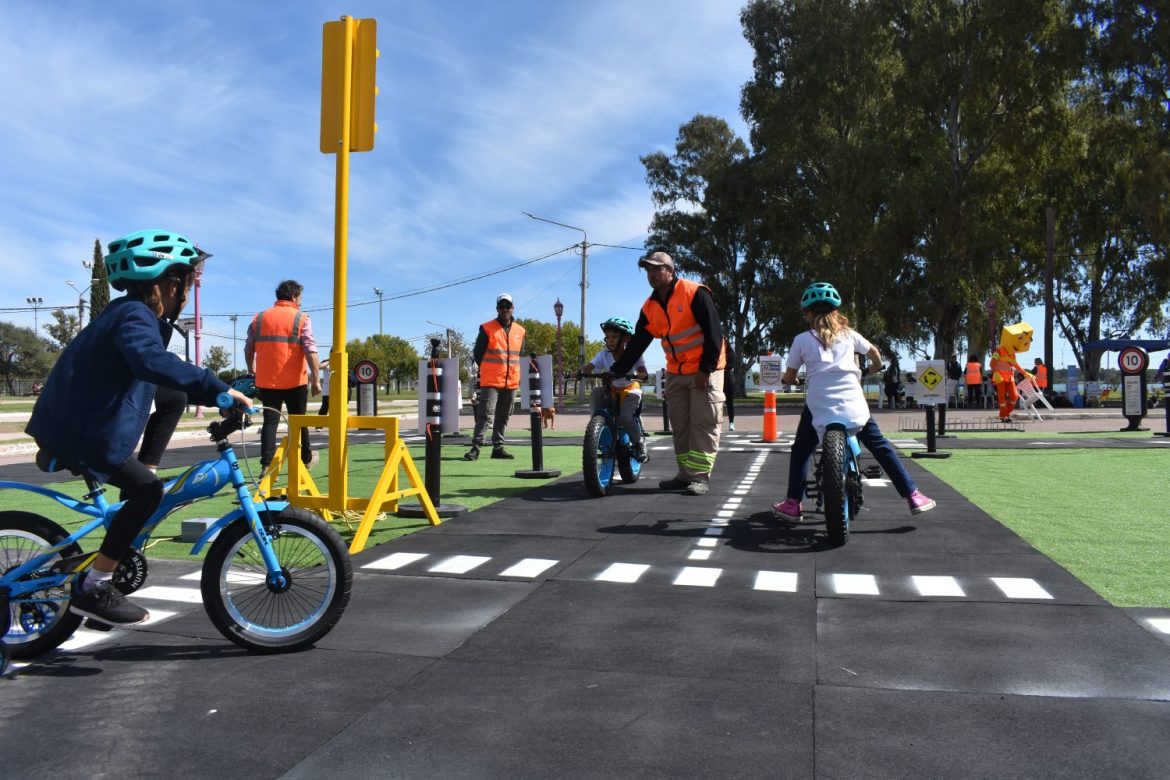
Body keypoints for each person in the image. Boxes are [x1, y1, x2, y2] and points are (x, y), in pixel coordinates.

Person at [25, 229, 251, 626]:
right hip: (81, 429)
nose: (189, 293)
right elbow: (149, 361)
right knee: (147, 493)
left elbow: (165, 385)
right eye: (188, 283)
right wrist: (216, 385)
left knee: (172, 403)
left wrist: (213, 397)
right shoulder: (134, 316)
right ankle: (93, 586)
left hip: (79, 423)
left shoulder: (128, 314)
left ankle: (143, 475)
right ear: (167, 283)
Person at [771, 282, 935, 521]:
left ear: (807, 313)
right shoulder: (850, 335)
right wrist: (871, 369)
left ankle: (793, 503)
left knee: (801, 450)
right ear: (836, 312)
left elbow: (788, 376)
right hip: (853, 404)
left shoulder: (801, 340)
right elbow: (876, 354)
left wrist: (793, 381)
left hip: (819, 405)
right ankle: (913, 495)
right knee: (880, 446)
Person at [610, 251, 725, 496]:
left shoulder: (694, 293)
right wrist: (616, 370)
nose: (651, 275)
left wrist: (706, 369)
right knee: (680, 425)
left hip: (705, 369)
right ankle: (685, 475)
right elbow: (638, 343)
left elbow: (715, 333)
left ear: (670, 271)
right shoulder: (650, 307)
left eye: (656, 269)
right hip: (676, 371)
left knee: (703, 424)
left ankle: (700, 478)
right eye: (648, 270)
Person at [244, 280, 322, 472]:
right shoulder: (301, 318)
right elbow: (310, 350)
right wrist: (315, 379)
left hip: (268, 382)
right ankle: (306, 458)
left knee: (270, 422)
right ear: (294, 297)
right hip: (295, 381)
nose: (301, 301)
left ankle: (266, 466)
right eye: (300, 297)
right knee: (299, 419)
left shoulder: (259, 318)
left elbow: (249, 347)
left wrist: (251, 369)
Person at [465, 292, 526, 460]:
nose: (505, 309)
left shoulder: (520, 331)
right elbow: (478, 353)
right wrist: (489, 369)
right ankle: (476, 447)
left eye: (508, 306)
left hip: (511, 381)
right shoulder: (487, 328)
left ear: (513, 308)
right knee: (485, 414)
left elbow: (519, 354)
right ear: (497, 309)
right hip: (491, 381)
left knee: (503, 416)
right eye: (502, 306)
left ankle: (498, 447)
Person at [583, 317, 650, 462]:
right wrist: (580, 372)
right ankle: (597, 429)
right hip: (611, 390)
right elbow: (590, 367)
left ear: (625, 338)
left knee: (625, 418)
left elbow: (641, 369)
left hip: (630, 390)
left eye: (614, 336)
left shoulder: (633, 353)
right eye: (607, 337)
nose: (610, 340)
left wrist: (642, 374)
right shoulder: (603, 354)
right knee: (596, 392)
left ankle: (639, 444)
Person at [724, 341, 737, 431]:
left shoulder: (729, 350)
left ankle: (731, 422)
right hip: (717, 375)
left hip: (728, 375)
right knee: (716, 400)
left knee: (730, 401)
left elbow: (732, 362)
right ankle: (717, 422)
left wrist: (724, 367)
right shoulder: (714, 347)